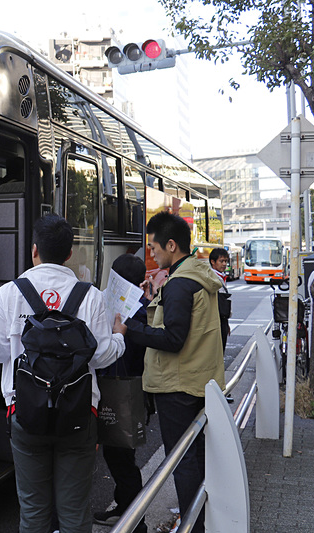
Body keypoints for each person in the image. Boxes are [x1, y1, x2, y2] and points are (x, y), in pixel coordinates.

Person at [0, 214, 125, 533]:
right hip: (79, 415)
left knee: (33, 510)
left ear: (34, 251)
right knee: (74, 512)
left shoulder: (9, 293)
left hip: (25, 413)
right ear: (70, 254)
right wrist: (120, 338)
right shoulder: (90, 296)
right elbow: (100, 356)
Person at [114, 211, 225, 533]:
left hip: (177, 385)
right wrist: (153, 304)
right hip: (197, 378)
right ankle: (199, 518)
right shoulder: (198, 276)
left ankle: (192, 525)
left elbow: (173, 339)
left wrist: (129, 327)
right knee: (195, 455)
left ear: (172, 245)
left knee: (182, 460)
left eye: (154, 247)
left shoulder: (179, 285)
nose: (152, 253)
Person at [93, 254, 148, 533]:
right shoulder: (143, 306)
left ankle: (134, 518)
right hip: (134, 388)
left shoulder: (120, 309)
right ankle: (125, 507)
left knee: (120, 456)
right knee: (121, 455)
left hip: (120, 390)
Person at [208, 247, 231, 351]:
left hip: (222, 320)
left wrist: (227, 324)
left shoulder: (220, 276)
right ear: (213, 262)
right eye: (221, 261)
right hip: (216, 321)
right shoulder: (212, 277)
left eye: (226, 261)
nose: (224, 264)